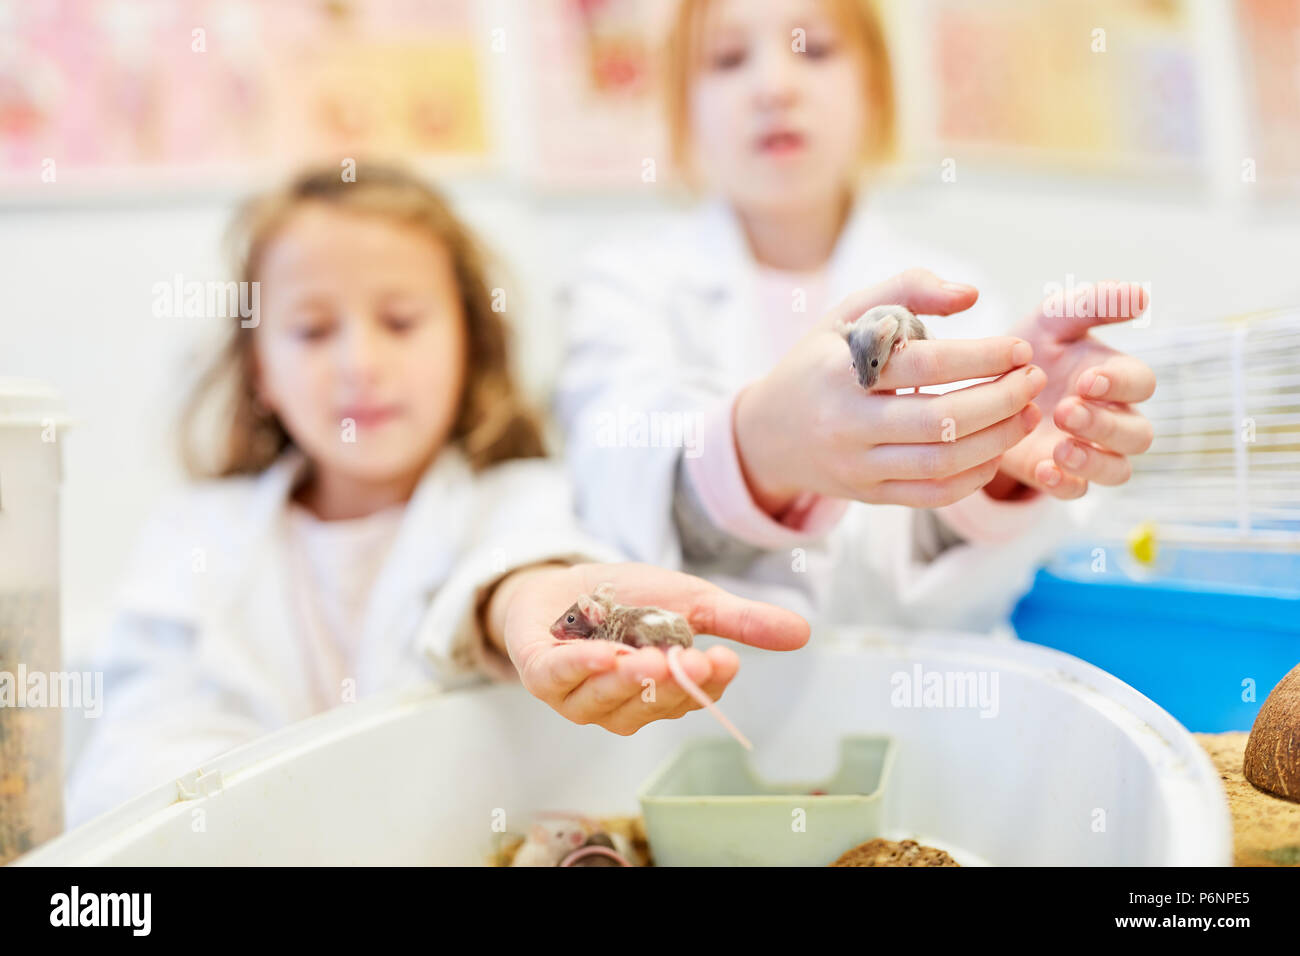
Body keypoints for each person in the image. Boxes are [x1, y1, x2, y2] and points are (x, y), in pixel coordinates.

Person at [66, 164, 808, 826]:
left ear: (469, 341)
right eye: (313, 329)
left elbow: (514, 576)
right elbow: (128, 770)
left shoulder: (520, 502)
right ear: (260, 370)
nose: (360, 362)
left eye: (400, 321)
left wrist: (524, 600)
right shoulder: (196, 537)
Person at [555, 0, 1156, 631]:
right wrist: (763, 448)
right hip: (702, 695)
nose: (774, 87)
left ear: (874, 89)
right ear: (683, 109)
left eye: (813, 49)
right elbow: (619, 482)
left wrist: (1000, 466)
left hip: (924, 687)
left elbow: (958, 568)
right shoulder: (624, 286)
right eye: (728, 59)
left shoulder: (956, 295)